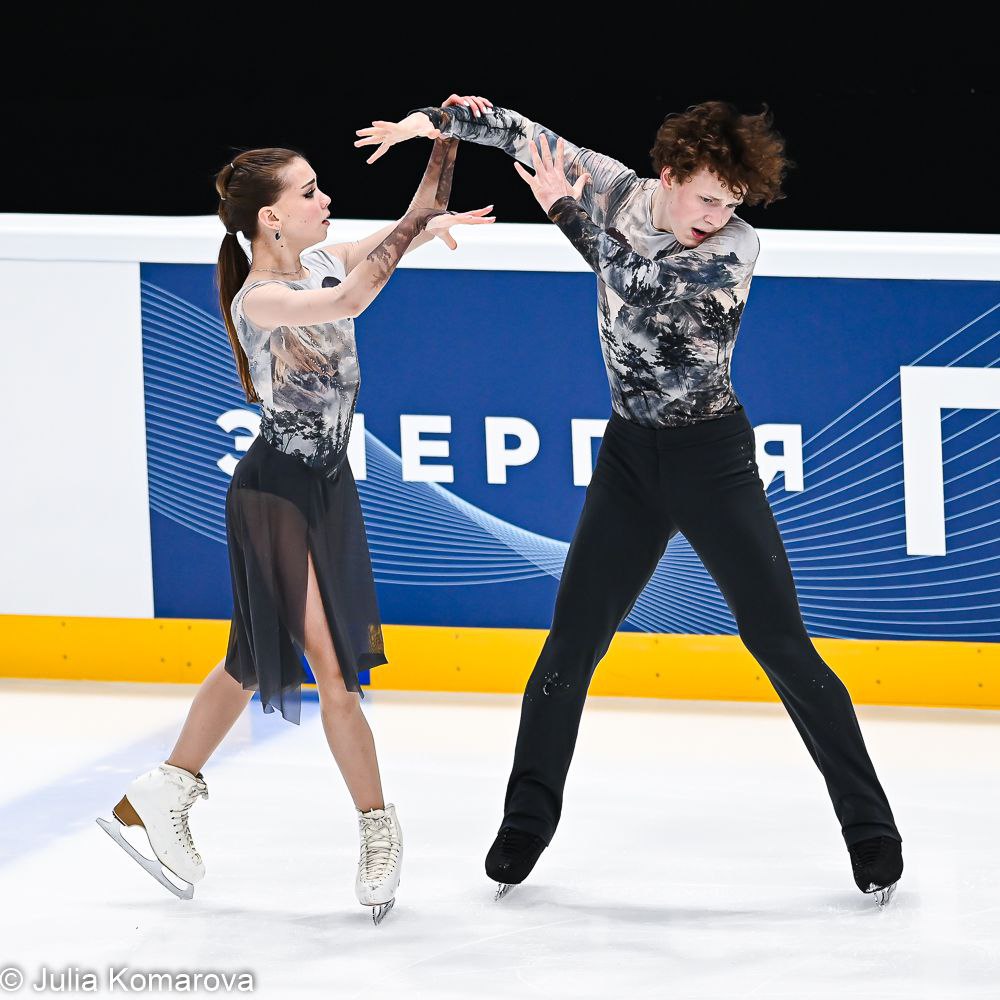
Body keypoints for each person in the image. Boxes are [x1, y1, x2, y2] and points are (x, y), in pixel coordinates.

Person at [354, 95, 904, 908]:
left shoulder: (736, 249)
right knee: (571, 643)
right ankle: (525, 823)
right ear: (671, 175)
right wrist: (436, 122)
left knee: (779, 642)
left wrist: (562, 210)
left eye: (732, 202)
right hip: (630, 460)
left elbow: (639, 285)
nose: (718, 217)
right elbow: (524, 135)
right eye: (707, 197)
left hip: (712, 460)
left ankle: (872, 831)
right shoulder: (615, 189)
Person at [96, 117, 494, 925]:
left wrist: (446, 139)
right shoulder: (264, 297)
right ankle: (378, 828)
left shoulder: (317, 259)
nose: (326, 199)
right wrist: (410, 231)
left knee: (248, 659)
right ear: (270, 216)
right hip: (274, 494)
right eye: (310, 192)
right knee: (332, 668)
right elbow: (352, 298)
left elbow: (408, 224)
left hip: (324, 487)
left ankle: (162, 790)